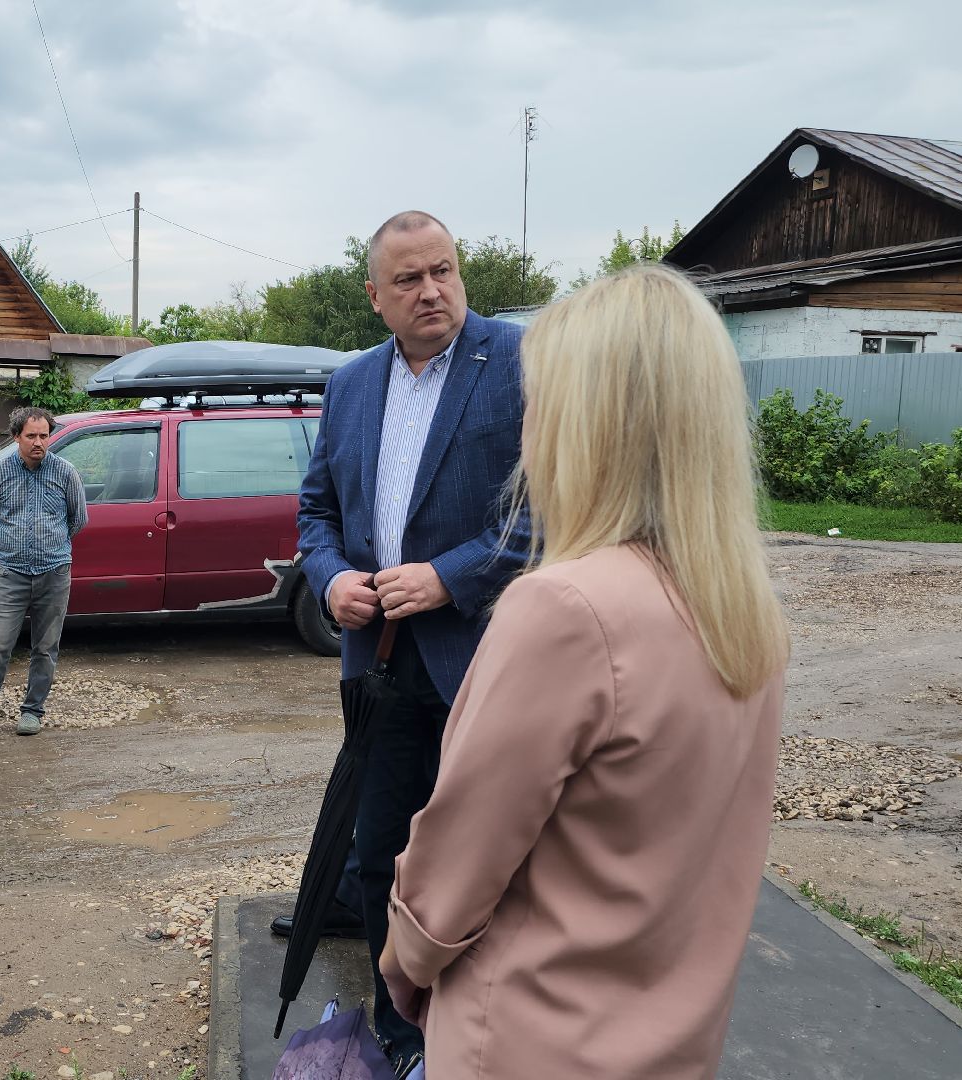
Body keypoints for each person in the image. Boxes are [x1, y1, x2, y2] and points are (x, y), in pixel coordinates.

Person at [381, 264, 791, 1078]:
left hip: (530, 1040)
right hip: (674, 1042)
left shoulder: (566, 610)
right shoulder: (745, 609)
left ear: (585, 422)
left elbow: (454, 870)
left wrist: (402, 968)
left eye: (538, 404)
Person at [295, 210, 531, 1073]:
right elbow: (316, 511)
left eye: (444, 270)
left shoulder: (516, 360)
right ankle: (401, 1034)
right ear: (375, 298)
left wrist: (450, 576)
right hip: (381, 667)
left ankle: (480, 1032)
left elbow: (549, 509)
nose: (431, 290)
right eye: (408, 279)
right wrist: (330, 578)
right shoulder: (352, 384)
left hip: (486, 659)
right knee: (379, 851)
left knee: (487, 860)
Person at [0, 406, 87, 738]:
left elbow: (78, 520)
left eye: (44, 435)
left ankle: (32, 711)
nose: (38, 443)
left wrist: (50, 544)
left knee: (46, 646)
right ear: (17, 437)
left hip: (54, 572)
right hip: (12, 574)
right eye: (31, 436)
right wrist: (14, 545)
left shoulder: (65, 472)